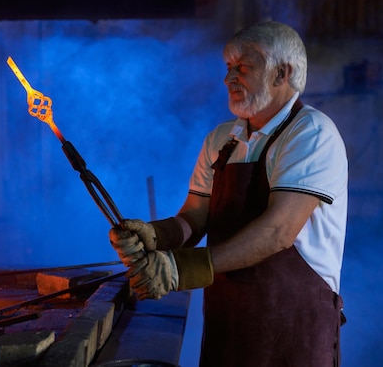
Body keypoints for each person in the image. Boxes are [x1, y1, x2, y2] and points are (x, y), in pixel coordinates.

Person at [109, 21, 347, 366]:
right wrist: (155, 236)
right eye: (228, 67)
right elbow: (194, 217)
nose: (229, 78)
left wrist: (179, 269)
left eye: (244, 67)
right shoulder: (222, 140)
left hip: (294, 328)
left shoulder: (311, 133)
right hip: (228, 321)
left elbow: (278, 232)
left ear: (282, 73)